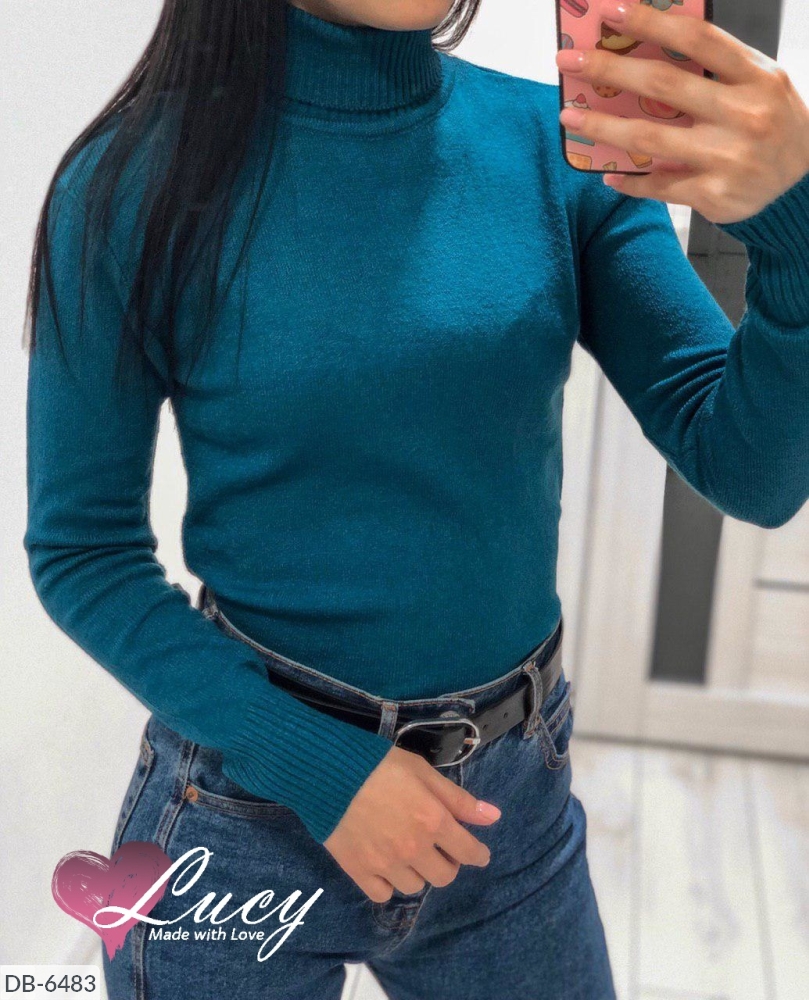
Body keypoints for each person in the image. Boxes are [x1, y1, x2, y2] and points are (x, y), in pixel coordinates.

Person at [23, 0, 809, 997]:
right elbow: (83, 553)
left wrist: (795, 229)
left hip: (506, 810)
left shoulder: (559, 150)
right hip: (245, 811)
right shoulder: (131, 182)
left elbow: (751, 473)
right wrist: (315, 765)